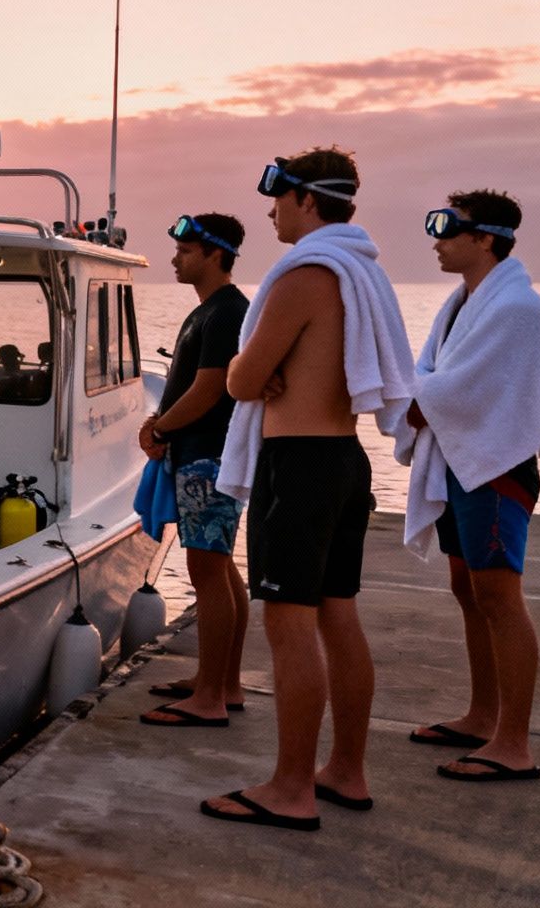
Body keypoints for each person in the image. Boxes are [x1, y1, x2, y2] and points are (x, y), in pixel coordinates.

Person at [200, 149, 415, 831]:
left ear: (305, 200)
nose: (269, 211)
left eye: (278, 198)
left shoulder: (305, 275)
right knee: (338, 616)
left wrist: (250, 371)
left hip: (297, 465)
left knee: (287, 624)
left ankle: (291, 788)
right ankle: (345, 772)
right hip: (345, 460)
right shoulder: (359, 272)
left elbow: (239, 380)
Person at [398, 191, 540, 781]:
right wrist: (419, 397)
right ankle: (482, 715)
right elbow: (436, 375)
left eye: (448, 228)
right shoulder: (461, 302)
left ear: (485, 238)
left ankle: (514, 744)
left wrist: (415, 401)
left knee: (499, 595)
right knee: (466, 587)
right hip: (459, 459)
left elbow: (461, 387)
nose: (437, 239)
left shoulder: (518, 307)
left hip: (495, 466)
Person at [139, 213, 251, 729]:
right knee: (221, 568)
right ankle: (223, 684)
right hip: (204, 455)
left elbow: (209, 389)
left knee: (207, 571)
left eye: (185, 251)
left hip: (209, 457)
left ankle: (209, 697)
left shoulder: (227, 312)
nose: (175, 259)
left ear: (213, 253)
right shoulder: (208, 312)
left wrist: (160, 429)